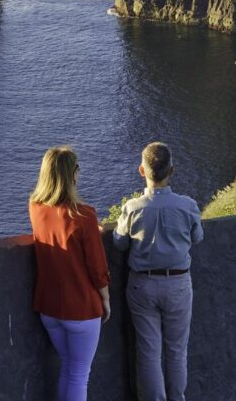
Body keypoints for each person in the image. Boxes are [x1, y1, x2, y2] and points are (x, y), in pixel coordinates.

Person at [113, 142, 205, 401]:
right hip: (177, 283)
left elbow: (119, 243)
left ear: (142, 171)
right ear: (171, 170)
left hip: (142, 285)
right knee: (177, 351)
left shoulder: (132, 208)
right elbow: (198, 237)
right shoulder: (187, 206)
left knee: (148, 351)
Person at [29, 146, 111, 401]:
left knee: (68, 367)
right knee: (78, 375)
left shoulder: (35, 207)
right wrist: (106, 299)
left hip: (48, 307)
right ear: (72, 174)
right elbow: (97, 268)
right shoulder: (84, 215)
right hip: (81, 309)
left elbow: (58, 228)